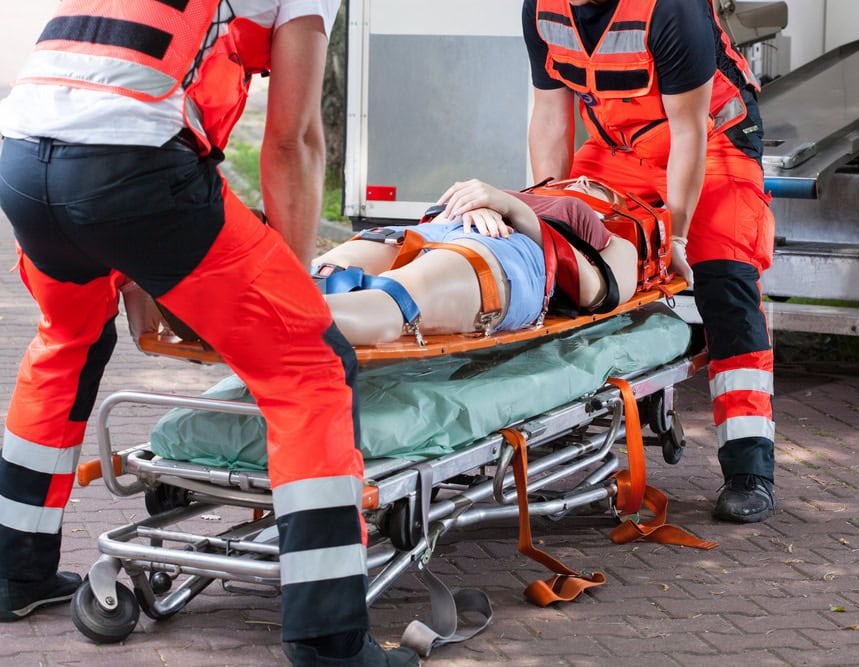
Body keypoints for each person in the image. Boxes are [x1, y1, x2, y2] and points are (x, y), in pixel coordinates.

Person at [0, 1, 417, 664]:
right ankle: (329, 640)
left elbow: (114, 75)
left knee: (66, 338)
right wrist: (293, 292)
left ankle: (15, 571)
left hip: (23, 158)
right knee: (309, 362)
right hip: (133, 167)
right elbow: (292, 141)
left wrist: (136, 269)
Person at [522, 0, 777, 522]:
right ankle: (596, 418)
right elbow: (551, 114)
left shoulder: (671, 8)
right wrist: (553, 209)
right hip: (618, 152)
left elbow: (689, 133)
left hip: (713, 145)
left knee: (723, 282)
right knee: (572, 269)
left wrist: (676, 238)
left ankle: (750, 467)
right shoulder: (542, 8)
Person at [314, 177, 638, 345]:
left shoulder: (616, 241)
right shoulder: (512, 194)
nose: (581, 178)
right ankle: (272, 312)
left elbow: (599, 294)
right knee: (320, 276)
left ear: (610, 211)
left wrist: (515, 210)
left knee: (395, 298)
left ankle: (273, 328)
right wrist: (478, 202)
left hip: (508, 251)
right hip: (437, 227)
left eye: (597, 187)